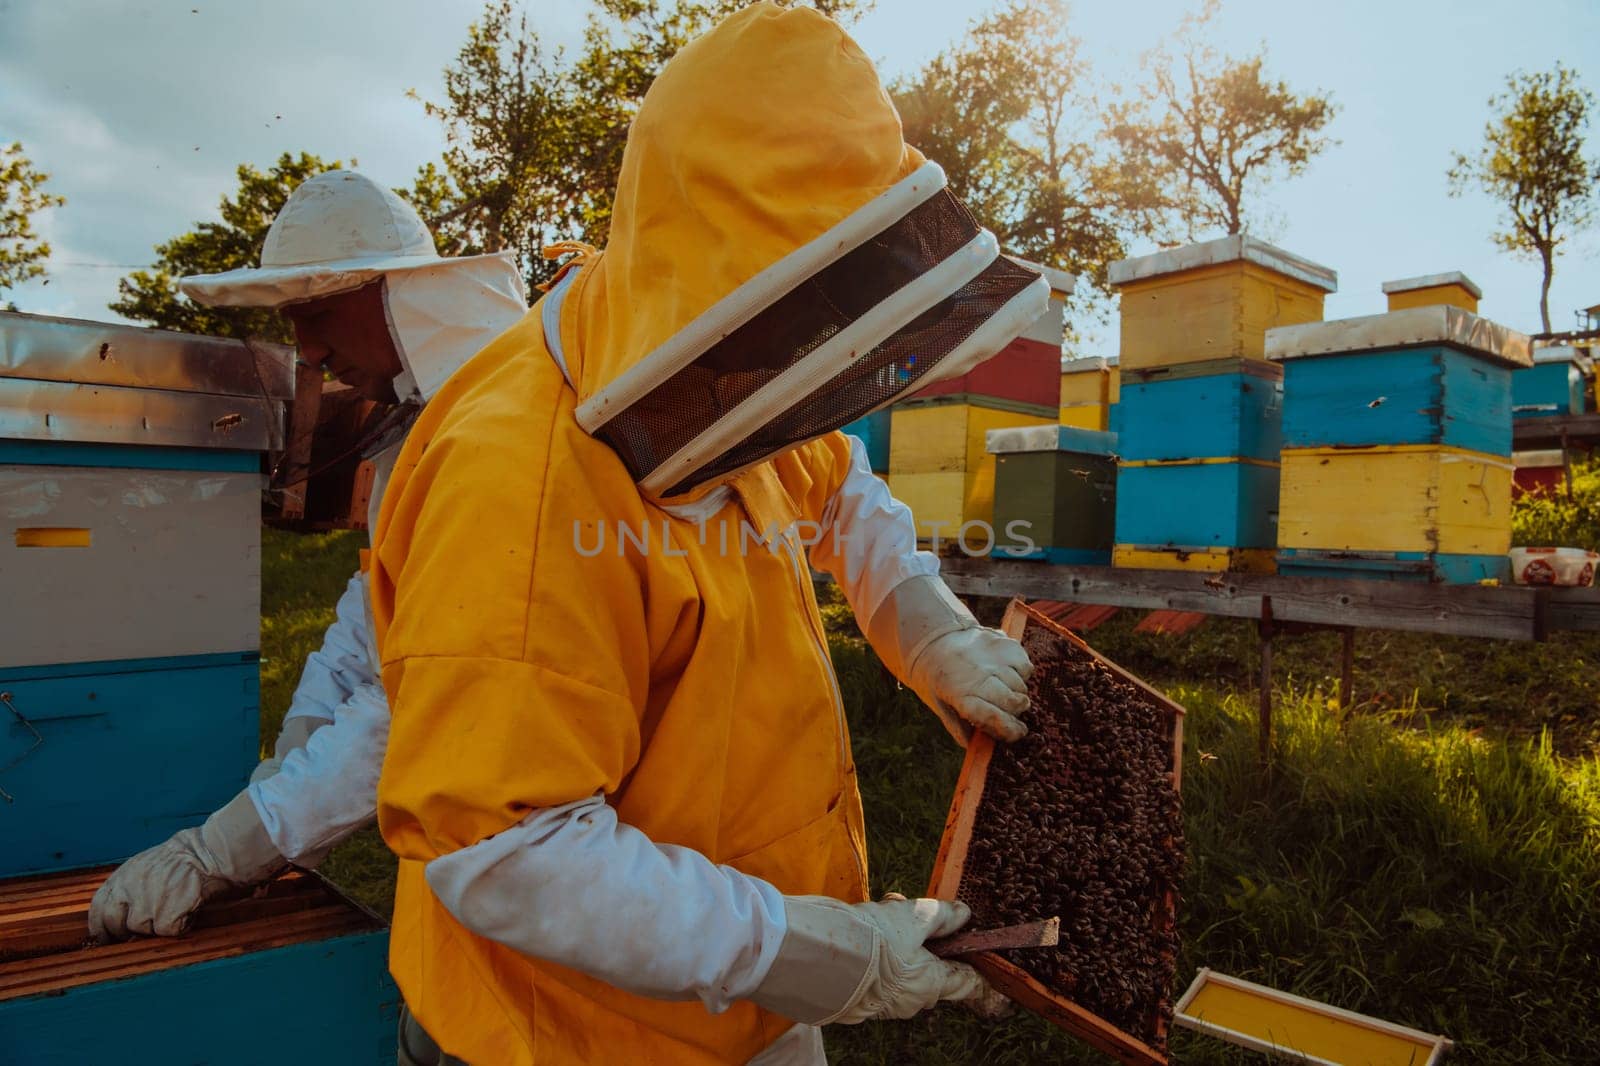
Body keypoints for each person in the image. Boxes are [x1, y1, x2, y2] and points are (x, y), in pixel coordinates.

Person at [369, 5, 1048, 1064]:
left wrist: (932, 633)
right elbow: (506, 850)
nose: (816, 360)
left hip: (745, 985)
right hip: (567, 1032)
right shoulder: (519, 481)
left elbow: (838, 487)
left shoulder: (727, 352)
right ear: (730, 274)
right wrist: (836, 956)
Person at [86, 170, 530, 941]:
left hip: (570, 857)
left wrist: (227, 848)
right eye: (295, 319)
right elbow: (376, 608)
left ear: (401, 296)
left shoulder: (507, 438)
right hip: (484, 854)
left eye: (319, 312)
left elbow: (418, 694)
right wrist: (298, 745)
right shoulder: (423, 431)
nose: (309, 351)